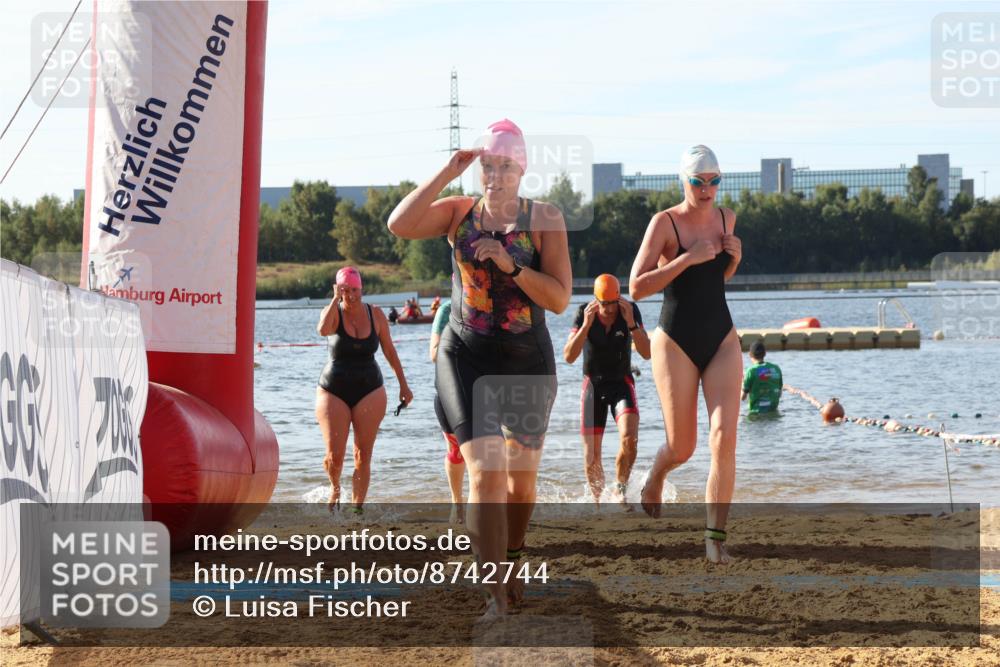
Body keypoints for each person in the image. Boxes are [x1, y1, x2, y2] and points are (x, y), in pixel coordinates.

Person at [387, 118, 571, 617]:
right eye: (487, 165)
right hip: (464, 354)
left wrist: (512, 266)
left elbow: (558, 299)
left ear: (521, 168)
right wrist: (447, 172)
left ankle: (512, 557)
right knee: (486, 473)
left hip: (526, 360)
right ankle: (494, 593)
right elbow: (399, 224)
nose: (494, 175)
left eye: (504, 166)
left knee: (520, 483)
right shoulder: (457, 214)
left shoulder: (544, 219)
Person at [629, 145, 743, 564]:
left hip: (721, 336)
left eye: (715, 180)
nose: (708, 189)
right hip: (674, 340)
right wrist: (687, 259)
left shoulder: (727, 218)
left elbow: (716, 280)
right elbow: (636, 287)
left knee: (723, 437)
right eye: (699, 181)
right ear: (684, 181)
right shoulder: (665, 224)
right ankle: (656, 475)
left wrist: (735, 259)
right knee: (682, 447)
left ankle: (715, 540)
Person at [315, 267, 413, 513]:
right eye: (346, 290)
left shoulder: (376, 314)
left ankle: (357, 508)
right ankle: (335, 487)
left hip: (370, 388)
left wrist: (403, 384)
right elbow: (323, 330)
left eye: (355, 290)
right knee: (334, 457)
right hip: (333, 389)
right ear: (338, 290)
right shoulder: (333, 312)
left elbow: (389, 351)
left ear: (362, 289)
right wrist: (335, 299)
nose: (351, 295)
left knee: (363, 454)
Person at [563, 274, 650, 507]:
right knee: (591, 454)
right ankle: (597, 501)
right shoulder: (583, 312)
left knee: (630, 439)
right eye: (604, 304)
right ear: (595, 301)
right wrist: (586, 326)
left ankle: (620, 490)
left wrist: (631, 323)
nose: (609, 309)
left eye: (613, 303)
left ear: (619, 298)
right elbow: (569, 356)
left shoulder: (629, 311)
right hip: (593, 385)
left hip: (621, 384)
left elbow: (647, 352)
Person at [429, 299, 465, 524]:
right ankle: (457, 503)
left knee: (489, 451)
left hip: (485, 389)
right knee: (456, 451)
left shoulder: (492, 305)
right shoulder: (445, 310)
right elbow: (434, 354)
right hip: (449, 389)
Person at [742, 340, 782, 416]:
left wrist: (742, 383)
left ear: (750, 354)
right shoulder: (776, 368)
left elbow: (742, 398)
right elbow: (779, 394)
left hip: (756, 412)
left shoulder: (751, 371)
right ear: (765, 354)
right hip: (773, 411)